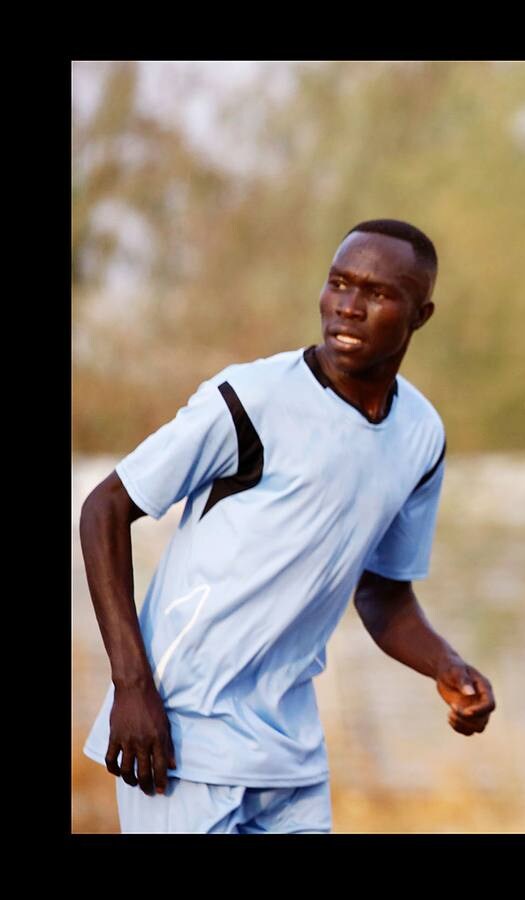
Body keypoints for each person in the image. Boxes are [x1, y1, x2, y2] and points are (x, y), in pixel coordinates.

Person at [80, 218, 496, 833]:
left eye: (377, 294)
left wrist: (447, 666)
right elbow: (105, 508)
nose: (348, 307)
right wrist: (131, 687)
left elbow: (383, 593)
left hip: (289, 749)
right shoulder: (251, 400)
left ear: (420, 315)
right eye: (338, 284)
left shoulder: (421, 436)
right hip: (179, 732)